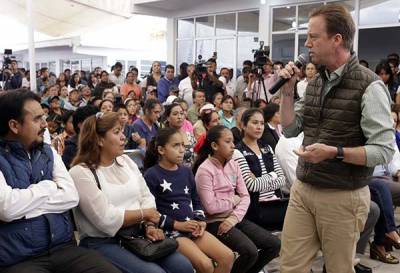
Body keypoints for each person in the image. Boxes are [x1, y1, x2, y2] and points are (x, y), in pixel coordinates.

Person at [278, 4, 394, 273]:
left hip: (343, 195)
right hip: (304, 190)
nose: (307, 44)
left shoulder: (369, 85)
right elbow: (289, 129)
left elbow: (382, 151)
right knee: (289, 268)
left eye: (313, 37)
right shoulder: (316, 82)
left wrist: (335, 152)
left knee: (338, 268)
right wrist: (287, 91)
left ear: (336, 40)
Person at [0, 90, 120, 273]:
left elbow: (71, 197)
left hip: (63, 249)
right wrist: (49, 187)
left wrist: (24, 205)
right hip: (19, 259)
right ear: (14, 126)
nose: (44, 124)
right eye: (37, 119)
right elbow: (7, 208)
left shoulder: (48, 153)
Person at [69, 112, 193, 273]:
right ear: (99, 140)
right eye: (116, 132)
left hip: (138, 234)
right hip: (103, 242)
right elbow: (106, 219)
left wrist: (149, 226)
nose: (123, 137)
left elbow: (146, 196)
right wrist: (144, 214)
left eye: (122, 131)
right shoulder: (81, 172)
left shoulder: (126, 161)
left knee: (183, 266)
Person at [144, 127, 234, 273]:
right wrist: (178, 225)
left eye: (183, 146)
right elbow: (150, 212)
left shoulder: (186, 171)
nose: (181, 150)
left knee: (228, 257)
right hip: (171, 231)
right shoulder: (151, 175)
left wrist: (200, 221)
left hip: (192, 227)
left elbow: (196, 200)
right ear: (161, 150)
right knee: (205, 265)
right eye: (175, 145)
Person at [193, 125, 281, 273]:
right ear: (214, 145)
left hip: (234, 218)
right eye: (228, 142)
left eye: (233, 141)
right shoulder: (204, 170)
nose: (233, 146)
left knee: (274, 244)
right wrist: (233, 200)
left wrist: (233, 218)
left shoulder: (233, 164)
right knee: (250, 252)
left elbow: (245, 196)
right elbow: (211, 207)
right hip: (215, 222)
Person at [233, 108, 287, 230]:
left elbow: (282, 180)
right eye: (254, 123)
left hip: (277, 203)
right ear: (243, 125)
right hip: (256, 209)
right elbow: (252, 186)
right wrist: (273, 175)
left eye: (262, 123)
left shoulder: (267, 148)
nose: (259, 127)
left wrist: (262, 179)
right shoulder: (237, 151)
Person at [163, 103, 196, 168]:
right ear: (168, 118)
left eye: (181, 113)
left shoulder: (189, 135)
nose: (179, 117)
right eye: (175, 114)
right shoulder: (164, 137)